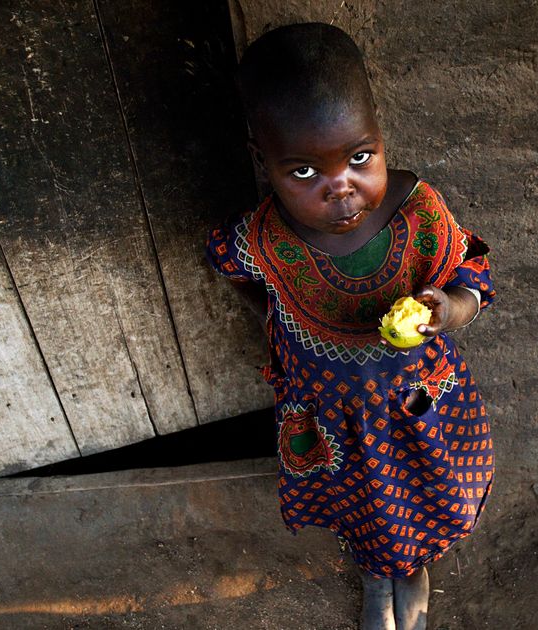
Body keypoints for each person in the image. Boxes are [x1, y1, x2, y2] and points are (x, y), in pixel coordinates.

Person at [205, 22, 495, 630]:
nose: (341, 188)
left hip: (415, 401)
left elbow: (472, 269)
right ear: (265, 163)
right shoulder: (262, 239)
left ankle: (411, 567)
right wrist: (274, 317)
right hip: (329, 414)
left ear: (380, 139)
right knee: (361, 502)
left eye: (360, 158)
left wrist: (451, 309)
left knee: (423, 491)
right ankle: (375, 572)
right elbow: (230, 267)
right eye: (304, 172)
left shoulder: (419, 214)